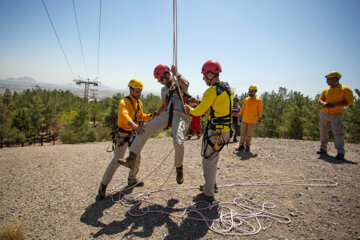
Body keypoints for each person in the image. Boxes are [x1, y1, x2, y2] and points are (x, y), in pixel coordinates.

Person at [119, 64, 189, 185]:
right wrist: (156, 113)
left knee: (178, 142)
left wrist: (176, 73)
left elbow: (186, 84)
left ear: (168, 75)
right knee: (145, 127)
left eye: (161, 79)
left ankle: (179, 168)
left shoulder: (178, 83)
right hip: (168, 114)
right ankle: (131, 158)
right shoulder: (164, 90)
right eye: (158, 80)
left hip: (180, 115)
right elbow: (164, 105)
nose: (160, 82)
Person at [184, 60, 233, 202]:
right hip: (225, 130)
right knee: (213, 159)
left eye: (205, 75)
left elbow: (198, 112)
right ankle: (211, 185)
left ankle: (208, 192)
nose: (203, 78)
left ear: (211, 74)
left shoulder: (211, 91)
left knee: (208, 161)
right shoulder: (226, 88)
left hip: (215, 131)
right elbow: (216, 106)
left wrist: (189, 109)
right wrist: (199, 101)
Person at [97, 79, 153, 200]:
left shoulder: (139, 103)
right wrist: (134, 125)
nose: (139, 93)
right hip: (122, 135)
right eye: (137, 91)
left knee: (137, 158)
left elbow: (141, 116)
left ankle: (132, 179)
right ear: (131, 89)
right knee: (117, 161)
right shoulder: (124, 102)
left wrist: (152, 116)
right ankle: (103, 185)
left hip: (133, 134)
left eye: (140, 91)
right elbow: (124, 114)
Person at [317, 71, 353, 160]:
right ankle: (323, 149)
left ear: (334, 79)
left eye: (328, 79)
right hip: (324, 113)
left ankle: (340, 152)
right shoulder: (326, 90)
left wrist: (335, 104)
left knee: (338, 133)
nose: (326, 81)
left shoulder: (345, 89)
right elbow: (319, 100)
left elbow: (349, 102)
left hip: (336, 114)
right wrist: (324, 103)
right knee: (323, 132)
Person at [236, 85, 262, 152]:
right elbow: (242, 109)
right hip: (244, 120)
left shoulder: (258, 101)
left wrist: (259, 119)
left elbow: (260, 111)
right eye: (249, 91)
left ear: (255, 92)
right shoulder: (246, 100)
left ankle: (247, 147)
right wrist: (239, 117)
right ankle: (241, 146)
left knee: (249, 135)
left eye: (252, 91)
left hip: (252, 121)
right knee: (242, 134)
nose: (250, 93)